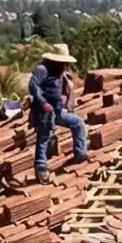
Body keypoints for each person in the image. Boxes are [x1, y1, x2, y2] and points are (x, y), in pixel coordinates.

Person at [30, 49, 87, 179]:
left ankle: (80, 154)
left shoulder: (60, 71)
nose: (65, 65)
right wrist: (44, 103)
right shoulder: (42, 69)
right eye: (63, 62)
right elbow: (33, 87)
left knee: (78, 123)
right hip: (44, 111)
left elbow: (64, 88)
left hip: (58, 110)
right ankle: (41, 168)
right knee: (44, 136)